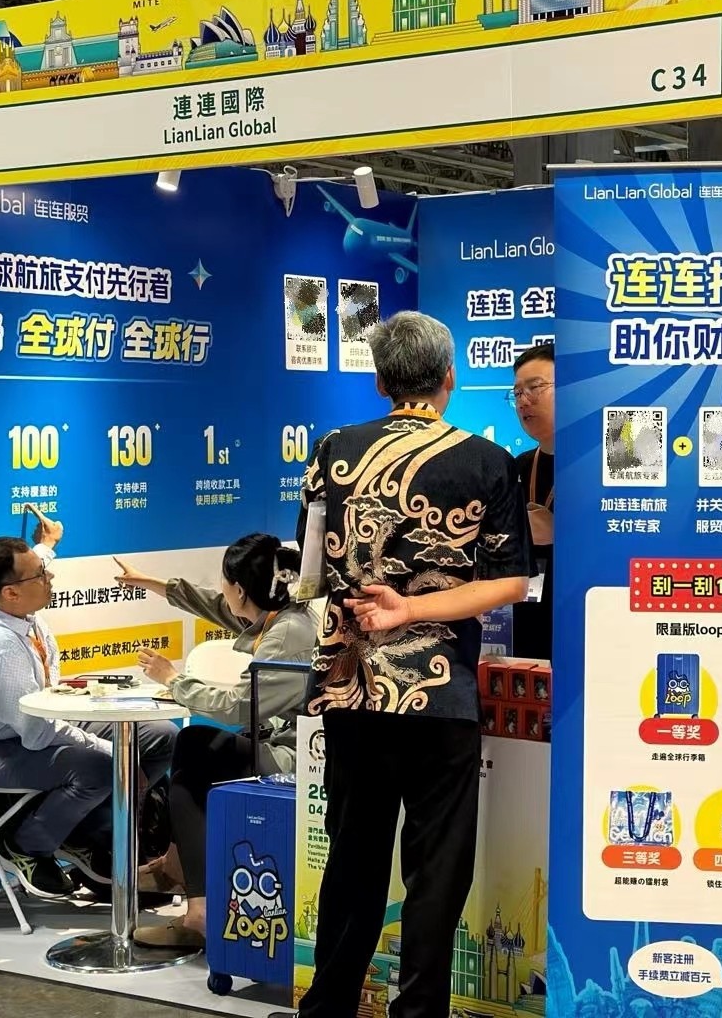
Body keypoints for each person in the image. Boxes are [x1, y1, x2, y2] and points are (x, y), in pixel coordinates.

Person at [294, 311, 529, 1018]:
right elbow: (510, 583)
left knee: (353, 855)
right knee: (437, 868)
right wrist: (418, 608)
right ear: (449, 377)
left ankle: (328, 1007)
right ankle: (419, 1011)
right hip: (441, 693)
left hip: (351, 689)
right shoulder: (488, 461)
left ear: (379, 381)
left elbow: (309, 572)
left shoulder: (332, 450)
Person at [0, 515, 177, 899]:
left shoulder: (1, 604)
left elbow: (29, 567)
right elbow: (38, 733)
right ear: (11, 593)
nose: (49, 577)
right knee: (104, 766)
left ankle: (83, 833)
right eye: (40, 575)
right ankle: (27, 845)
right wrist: (116, 753)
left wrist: (47, 545)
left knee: (162, 737)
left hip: (40, 726)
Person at [112, 533, 319, 949]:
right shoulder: (279, 614)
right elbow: (216, 605)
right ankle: (179, 873)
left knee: (195, 746)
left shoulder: (286, 635)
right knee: (195, 751)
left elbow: (240, 707)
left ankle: (198, 910)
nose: (222, 591)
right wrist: (151, 583)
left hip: (300, 761)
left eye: (225, 582)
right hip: (285, 744)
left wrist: (175, 680)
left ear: (240, 589)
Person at [509, 342, 555, 663]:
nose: (523, 401)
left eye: (535, 388)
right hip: (524, 624)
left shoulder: (603, 466)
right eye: (517, 393)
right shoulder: (518, 466)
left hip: (580, 617)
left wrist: (561, 534)